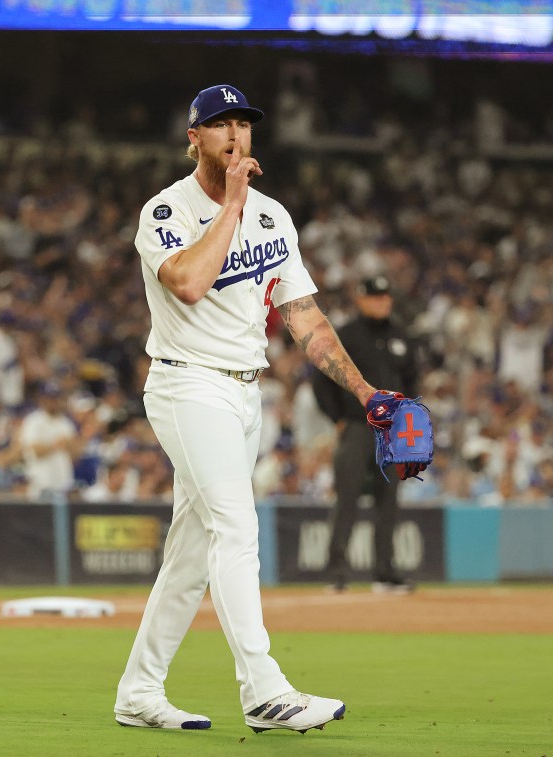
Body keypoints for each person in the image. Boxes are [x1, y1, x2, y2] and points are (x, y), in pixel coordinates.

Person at [114, 84, 397, 735]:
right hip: (187, 385)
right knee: (237, 528)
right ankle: (264, 689)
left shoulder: (273, 216)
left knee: (190, 553)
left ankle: (139, 689)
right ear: (195, 139)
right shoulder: (166, 209)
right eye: (220, 125)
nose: (236, 134)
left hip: (245, 391)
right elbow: (188, 283)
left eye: (244, 123)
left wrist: (364, 391)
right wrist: (233, 202)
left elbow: (304, 317)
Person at [312, 275, 421, 594]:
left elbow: (413, 381)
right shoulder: (346, 336)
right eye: (376, 296)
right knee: (347, 497)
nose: (383, 301)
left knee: (388, 502)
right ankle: (337, 572)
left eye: (386, 296)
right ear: (360, 299)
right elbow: (321, 380)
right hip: (357, 426)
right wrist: (338, 418)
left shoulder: (403, 336)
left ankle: (384, 573)